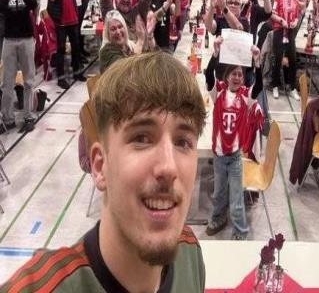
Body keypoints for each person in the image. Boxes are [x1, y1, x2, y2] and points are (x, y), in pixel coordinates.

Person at [2, 52, 207, 291]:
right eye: (142, 138)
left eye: (182, 142)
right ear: (99, 166)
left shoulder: (189, 253)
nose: (169, 167)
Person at [204, 36, 262, 240]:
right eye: (234, 74)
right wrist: (215, 53)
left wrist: (257, 61)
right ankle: (218, 219)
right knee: (219, 193)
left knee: (237, 198)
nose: (237, 77)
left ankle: (240, 231)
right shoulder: (218, 93)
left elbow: (259, 86)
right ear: (227, 77)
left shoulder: (245, 96)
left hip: (235, 157)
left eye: (240, 74)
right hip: (219, 157)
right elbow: (208, 75)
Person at [0, 0, 38, 134]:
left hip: (26, 37)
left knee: (29, 80)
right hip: (9, 38)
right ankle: (7, 118)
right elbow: (1, 9)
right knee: (7, 82)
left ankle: (28, 116)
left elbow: (33, 4)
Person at [45, 0, 86, 89]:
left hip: (73, 16)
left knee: (76, 46)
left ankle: (77, 72)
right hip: (60, 19)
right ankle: (61, 78)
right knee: (61, 48)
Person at [270, 0, 301, 101]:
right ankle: (275, 86)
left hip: (290, 33)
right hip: (279, 31)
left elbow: (297, 17)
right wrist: (281, 20)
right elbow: (272, 14)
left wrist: (295, 22)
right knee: (278, 58)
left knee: (293, 59)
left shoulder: (295, 1)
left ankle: (292, 87)